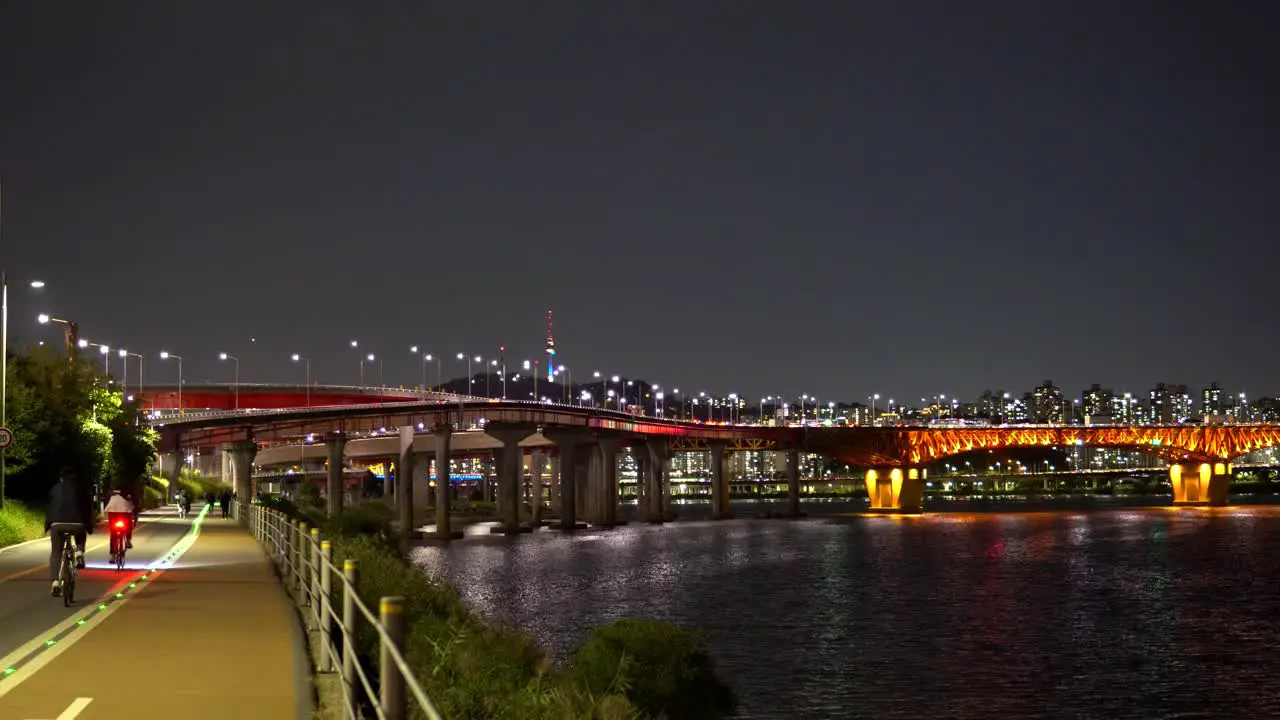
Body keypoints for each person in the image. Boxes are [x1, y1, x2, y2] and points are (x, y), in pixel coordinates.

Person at [44, 466, 93, 596]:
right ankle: (79, 552)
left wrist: (47, 525)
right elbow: (87, 508)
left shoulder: (54, 488)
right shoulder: (80, 488)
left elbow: (50, 507)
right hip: (77, 523)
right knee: (80, 533)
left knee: (56, 552)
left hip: (57, 524)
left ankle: (55, 582)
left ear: (61, 477)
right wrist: (89, 526)